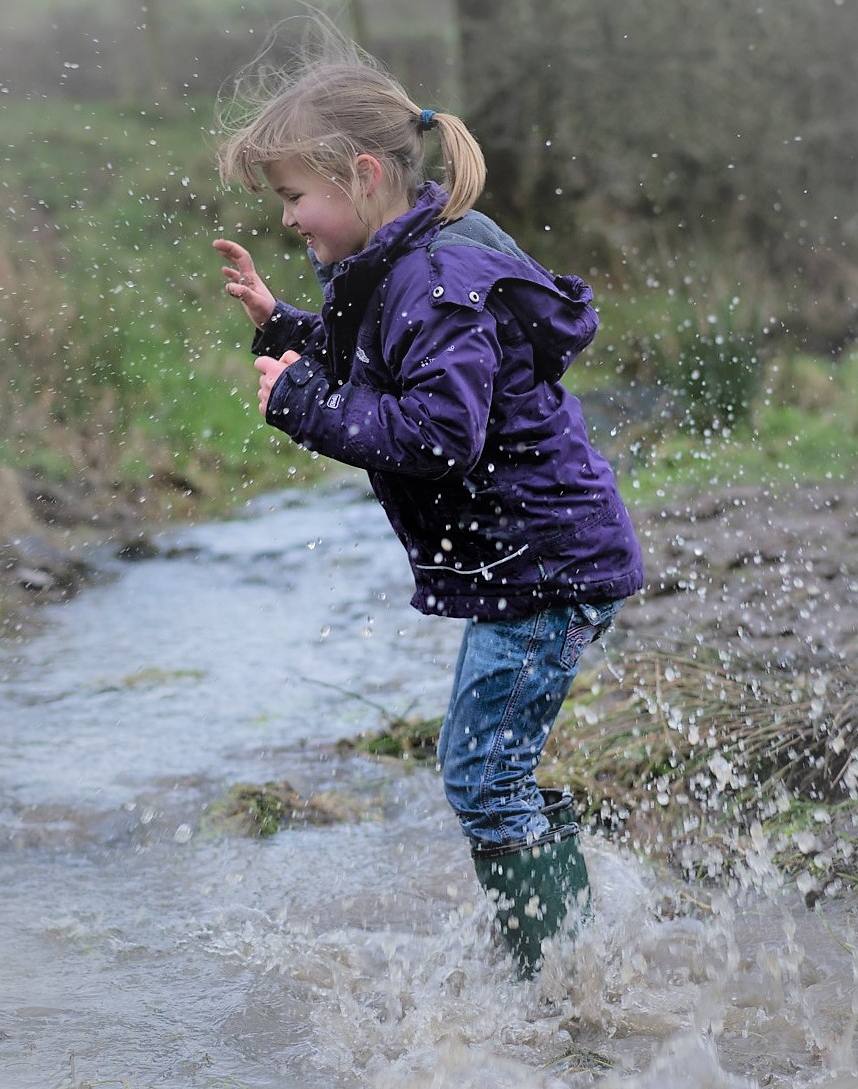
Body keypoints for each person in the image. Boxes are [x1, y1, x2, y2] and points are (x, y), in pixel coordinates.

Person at [212, 32, 644, 978]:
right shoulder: (405, 263)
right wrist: (285, 327)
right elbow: (381, 361)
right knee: (489, 770)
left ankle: (558, 982)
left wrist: (299, 405)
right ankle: (569, 950)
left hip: (548, 567)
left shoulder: (435, 282)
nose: (288, 218)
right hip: (534, 564)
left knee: (481, 776)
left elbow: (435, 435)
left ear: (363, 174)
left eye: (294, 196)